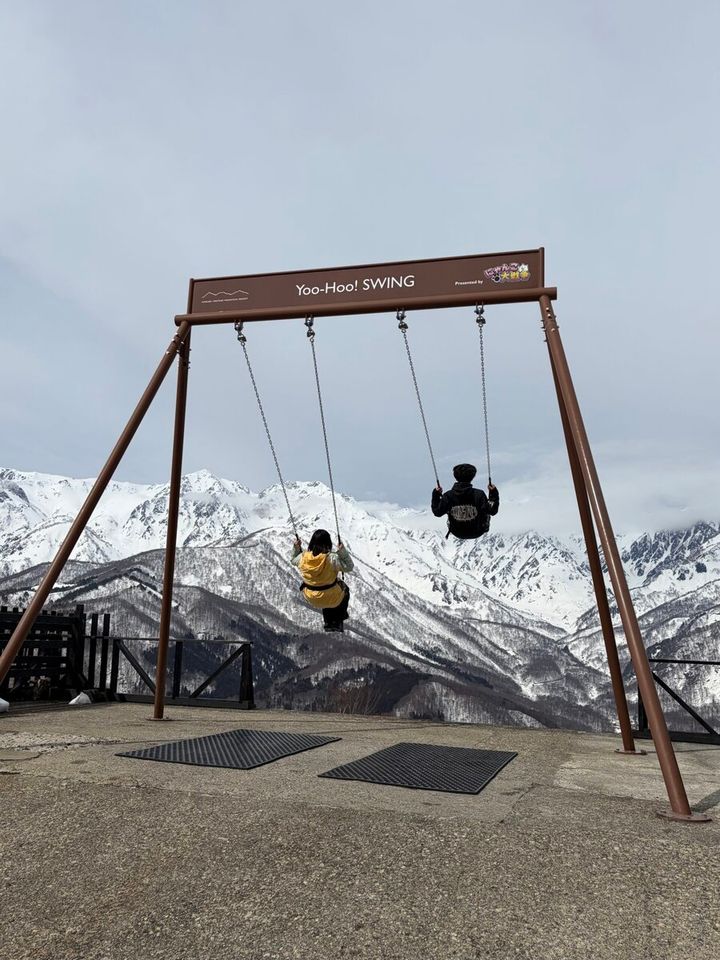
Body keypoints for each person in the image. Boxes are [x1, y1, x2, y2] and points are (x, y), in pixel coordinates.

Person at [291, 529, 354, 632]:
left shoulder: (303, 558)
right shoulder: (332, 558)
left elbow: (293, 560)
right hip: (332, 597)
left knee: (325, 591)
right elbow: (349, 566)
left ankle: (329, 622)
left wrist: (296, 547)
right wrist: (342, 551)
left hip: (311, 598)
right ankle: (338, 619)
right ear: (328, 543)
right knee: (344, 590)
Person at [431, 463, 499, 539]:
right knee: (486, 508)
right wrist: (493, 493)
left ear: (455, 476)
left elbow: (437, 512)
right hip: (478, 531)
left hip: (457, 532)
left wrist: (436, 494)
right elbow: (492, 511)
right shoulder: (479, 494)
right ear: (472, 477)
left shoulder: (448, 496)